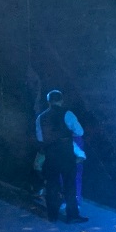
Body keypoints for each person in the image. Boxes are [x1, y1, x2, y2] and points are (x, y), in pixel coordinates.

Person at [35, 90, 86, 223]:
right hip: (66, 154)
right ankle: (72, 215)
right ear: (62, 100)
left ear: (48, 101)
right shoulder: (67, 114)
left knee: (52, 185)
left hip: (50, 155)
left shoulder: (41, 117)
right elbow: (80, 131)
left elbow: (40, 138)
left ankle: (52, 215)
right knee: (70, 185)